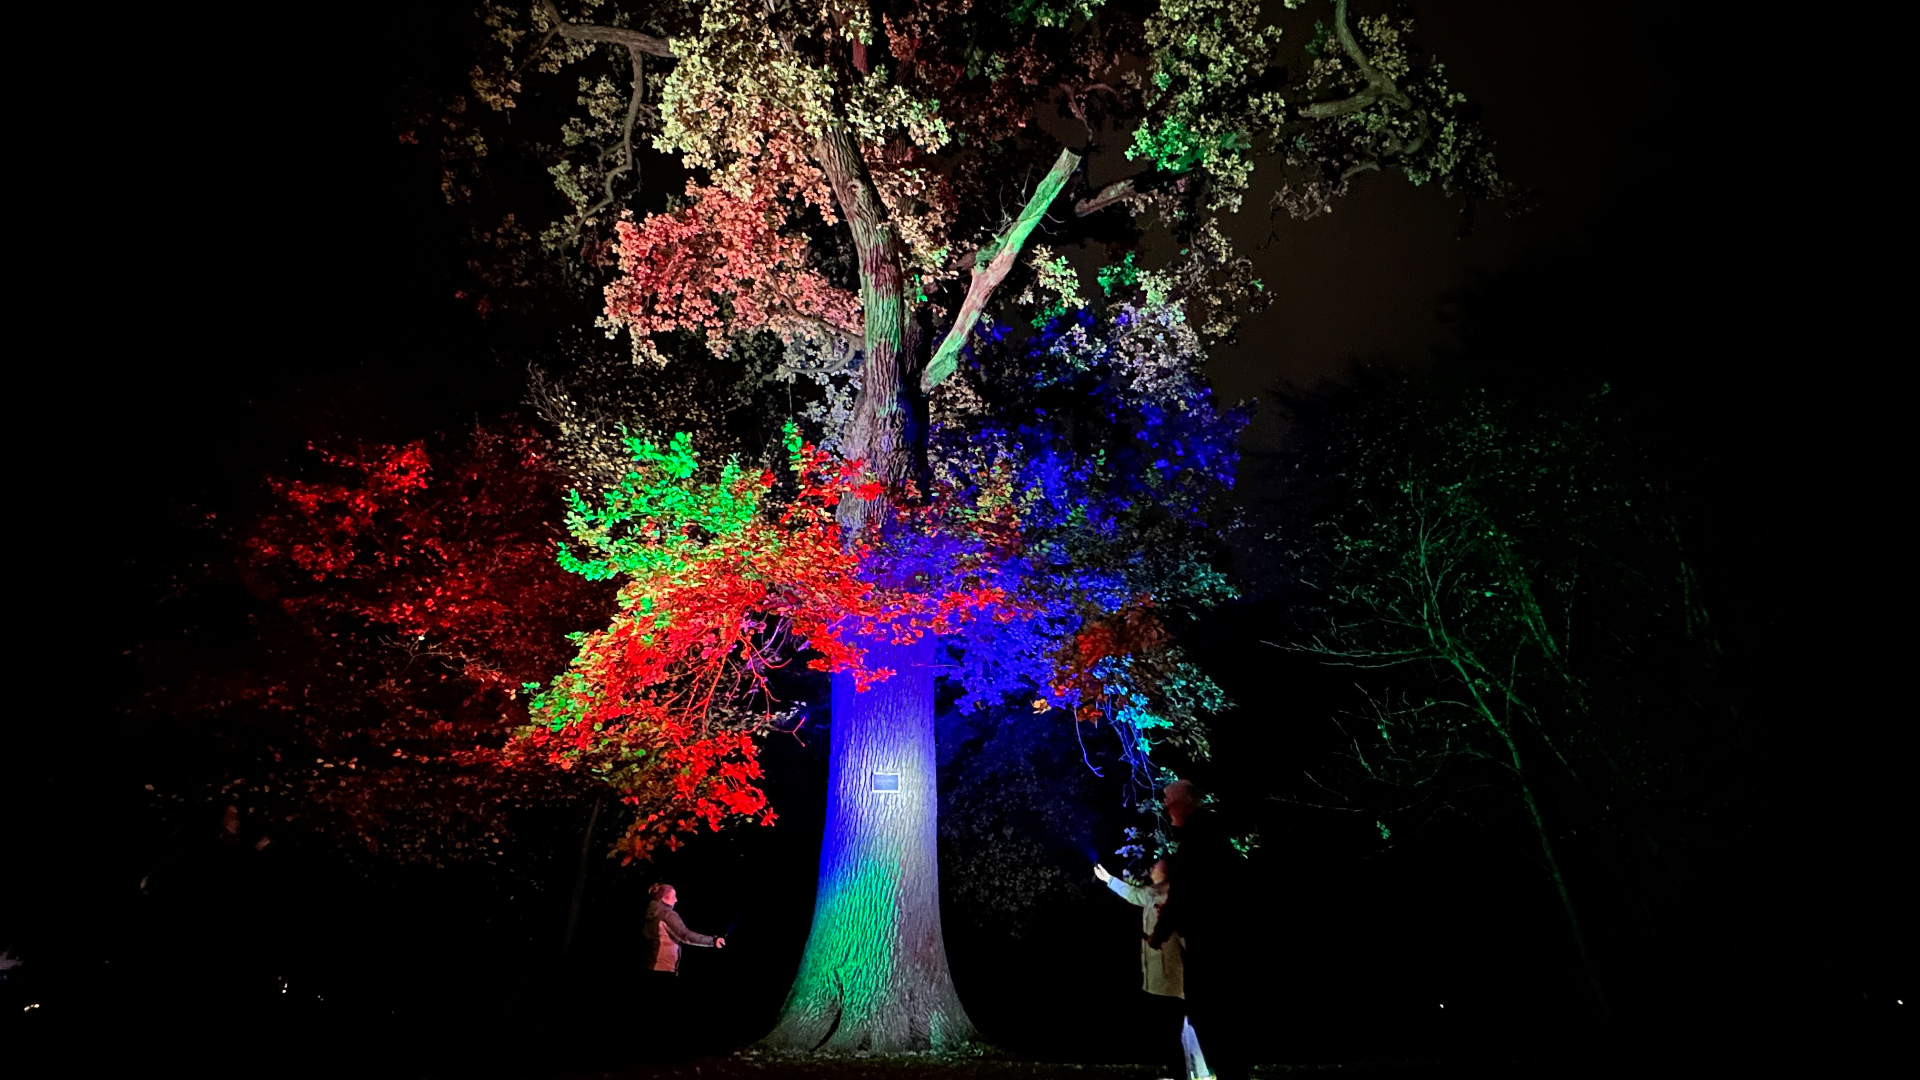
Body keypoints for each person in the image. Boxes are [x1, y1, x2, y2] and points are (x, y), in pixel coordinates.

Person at [1148, 780, 1247, 1080]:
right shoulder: (1210, 835)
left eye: (1169, 802)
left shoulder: (1198, 838)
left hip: (1211, 941)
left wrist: (1162, 929)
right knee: (1218, 1017)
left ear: (1186, 803)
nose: (1166, 808)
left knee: (1211, 1014)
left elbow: (1188, 888)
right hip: (1220, 937)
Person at [1095, 858, 1208, 1080]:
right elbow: (1133, 894)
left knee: (1176, 1030)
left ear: (1165, 871)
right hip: (1158, 977)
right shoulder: (1152, 894)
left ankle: (1186, 1073)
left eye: (1156, 866)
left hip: (1172, 978)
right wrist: (1108, 879)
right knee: (1174, 1030)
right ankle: (1191, 1072)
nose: (1151, 869)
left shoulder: (1172, 896)